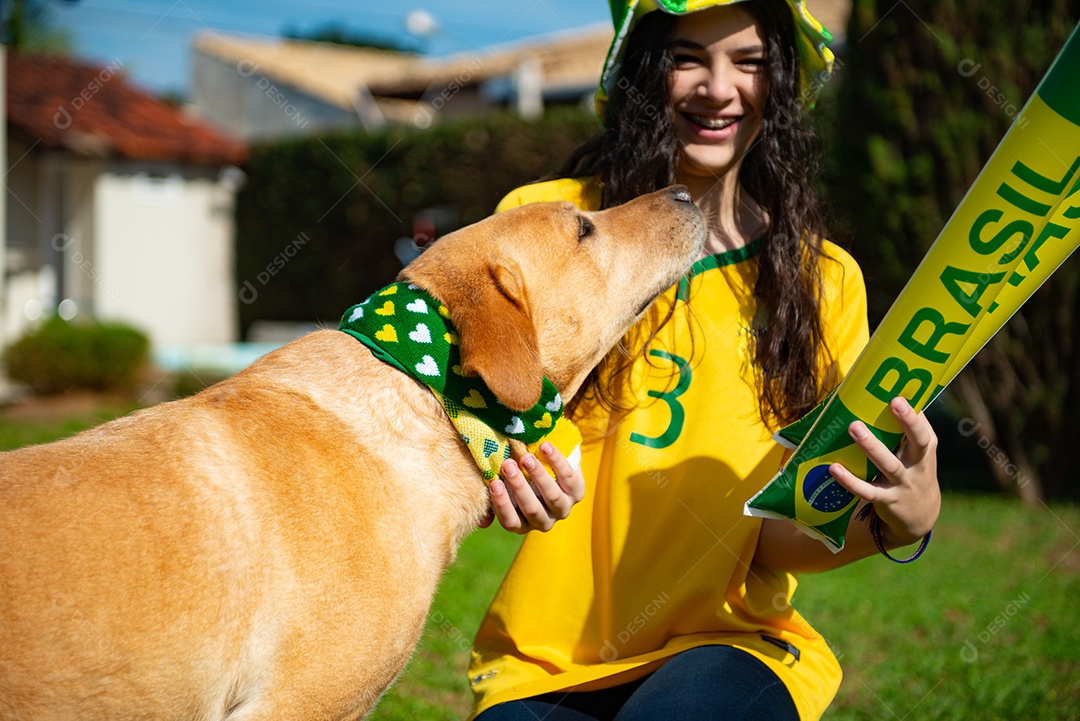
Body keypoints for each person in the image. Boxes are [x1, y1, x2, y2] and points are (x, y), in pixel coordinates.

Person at [469, 1, 942, 719]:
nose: (718, 88)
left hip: (731, 647)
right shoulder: (546, 223)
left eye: (749, 62)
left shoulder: (826, 280)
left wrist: (893, 523)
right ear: (642, 69)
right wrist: (492, 460)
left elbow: (781, 535)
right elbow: (458, 411)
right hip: (540, 668)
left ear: (779, 82)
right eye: (688, 56)